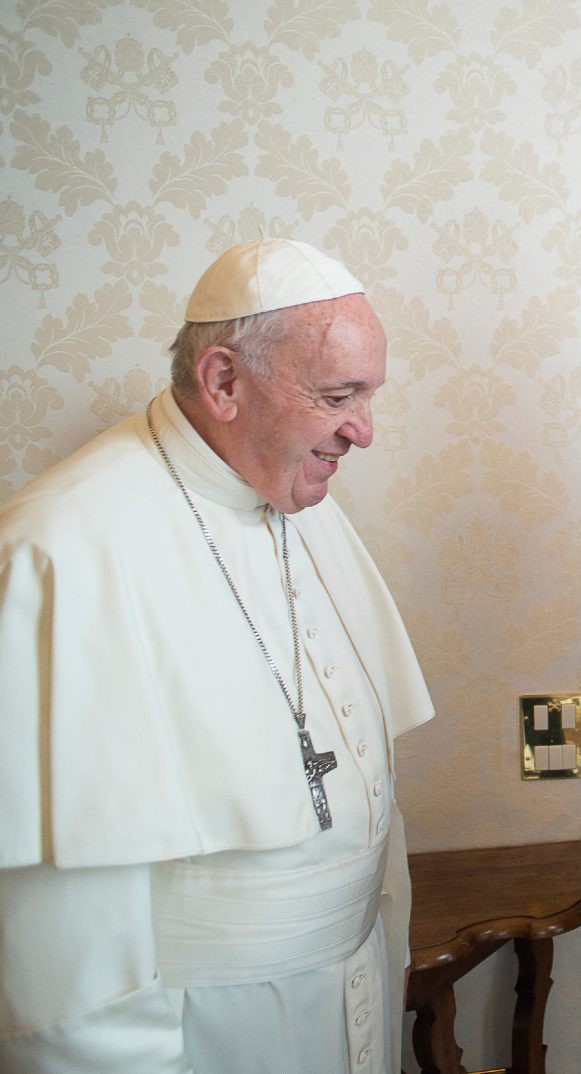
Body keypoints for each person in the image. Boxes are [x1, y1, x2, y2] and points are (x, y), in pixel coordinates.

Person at [0, 238, 434, 1073]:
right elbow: (63, 939)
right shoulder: (60, 551)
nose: (365, 431)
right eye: (337, 396)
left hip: (354, 986)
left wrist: (391, 942)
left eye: (369, 395)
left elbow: (373, 790)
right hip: (208, 1029)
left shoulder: (299, 498)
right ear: (224, 382)